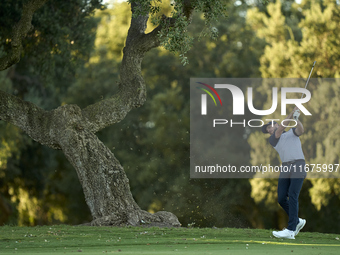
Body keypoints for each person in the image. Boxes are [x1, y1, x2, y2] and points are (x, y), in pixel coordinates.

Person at [262, 106, 307, 239]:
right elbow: (281, 128)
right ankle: (297, 220)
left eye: (270, 126)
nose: (269, 130)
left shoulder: (292, 132)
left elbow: (301, 130)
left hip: (298, 164)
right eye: (267, 130)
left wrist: (296, 119)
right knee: (282, 198)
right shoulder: (273, 139)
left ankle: (291, 230)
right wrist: (291, 113)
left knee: (293, 195)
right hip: (286, 167)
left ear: (275, 124)